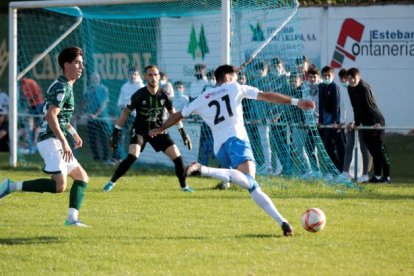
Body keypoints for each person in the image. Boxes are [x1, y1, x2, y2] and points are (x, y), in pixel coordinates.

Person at [149, 64, 315, 236]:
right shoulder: (235, 87)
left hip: (220, 148)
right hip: (236, 140)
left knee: (250, 184)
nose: (237, 78)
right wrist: (297, 102)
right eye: (235, 76)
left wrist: (160, 128)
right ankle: (203, 168)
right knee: (251, 183)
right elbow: (266, 96)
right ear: (228, 78)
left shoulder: (203, 97)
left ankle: (284, 223)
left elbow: (178, 115)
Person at [0, 46, 90, 227]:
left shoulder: (64, 86)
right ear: (66, 64)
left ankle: (72, 220)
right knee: (59, 186)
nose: (81, 67)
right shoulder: (63, 87)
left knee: (81, 177)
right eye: (77, 63)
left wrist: (73, 133)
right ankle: (11, 186)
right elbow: (50, 116)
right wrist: (65, 141)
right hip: (50, 140)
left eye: (82, 63)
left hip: (55, 138)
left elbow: (61, 117)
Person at [102, 65, 194, 192]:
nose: (153, 78)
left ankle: (184, 187)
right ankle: (111, 182)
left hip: (158, 131)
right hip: (140, 131)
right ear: (145, 77)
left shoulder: (164, 95)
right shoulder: (138, 95)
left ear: (159, 77)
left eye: (155, 75)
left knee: (177, 157)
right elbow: (125, 113)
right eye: (150, 75)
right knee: (133, 156)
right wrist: (115, 133)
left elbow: (174, 115)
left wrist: (183, 133)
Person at [346, 68, 391, 183]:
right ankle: (376, 176)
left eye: (353, 78)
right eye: (349, 78)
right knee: (373, 150)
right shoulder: (350, 89)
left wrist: (375, 124)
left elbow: (371, 107)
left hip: (376, 122)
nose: (351, 81)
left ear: (358, 77)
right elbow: (355, 107)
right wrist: (356, 123)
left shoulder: (363, 87)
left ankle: (387, 176)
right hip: (365, 123)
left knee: (380, 149)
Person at [338, 68, 371, 183]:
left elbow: (359, 108)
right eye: (341, 78)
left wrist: (355, 121)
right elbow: (347, 108)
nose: (344, 80)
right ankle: (345, 173)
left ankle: (365, 174)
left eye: (345, 78)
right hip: (351, 124)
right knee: (349, 146)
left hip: (360, 122)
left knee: (363, 147)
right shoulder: (346, 90)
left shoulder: (358, 89)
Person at [318, 66, 346, 173]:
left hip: (335, 123)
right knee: (327, 148)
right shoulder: (321, 87)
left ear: (333, 76)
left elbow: (336, 106)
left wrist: (335, 121)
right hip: (325, 122)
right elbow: (320, 105)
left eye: (328, 75)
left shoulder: (335, 87)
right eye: (324, 76)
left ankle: (343, 171)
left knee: (340, 148)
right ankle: (333, 170)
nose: (326, 77)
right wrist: (320, 120)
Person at [116, 66, 145, 159]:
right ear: (127, 75)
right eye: (130, 74)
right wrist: (122, 106)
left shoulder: (141, 87)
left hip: (137, 116)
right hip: (126, 115)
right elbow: (120, 101)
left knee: (135, 136)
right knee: (119, 133)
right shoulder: (125, 86)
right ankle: (118, 156)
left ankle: (135, 156)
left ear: (138, 75)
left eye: (134, 74)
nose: (132, 76)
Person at [82, 72, 112, 163]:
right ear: (90, 80)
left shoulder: (104, 89)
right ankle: (96, 158)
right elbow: (85, 102)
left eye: (96, 78)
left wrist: (96, 115)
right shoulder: (88, 89)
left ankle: (106, 158)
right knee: (92, 139)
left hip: (102, 119)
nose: (95, 80)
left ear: (99, 79)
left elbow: (104, 104)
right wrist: (81, 113)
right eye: (93, 78)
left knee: (104, 139)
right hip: (91, 119)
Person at [21, 77, 45, 153]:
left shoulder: (25, 84)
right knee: (35, 126)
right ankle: (32, 144)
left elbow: (29, 95)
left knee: (34, 126)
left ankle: (33, 145)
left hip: (37, 105)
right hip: (38, 104)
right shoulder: (31, 81)